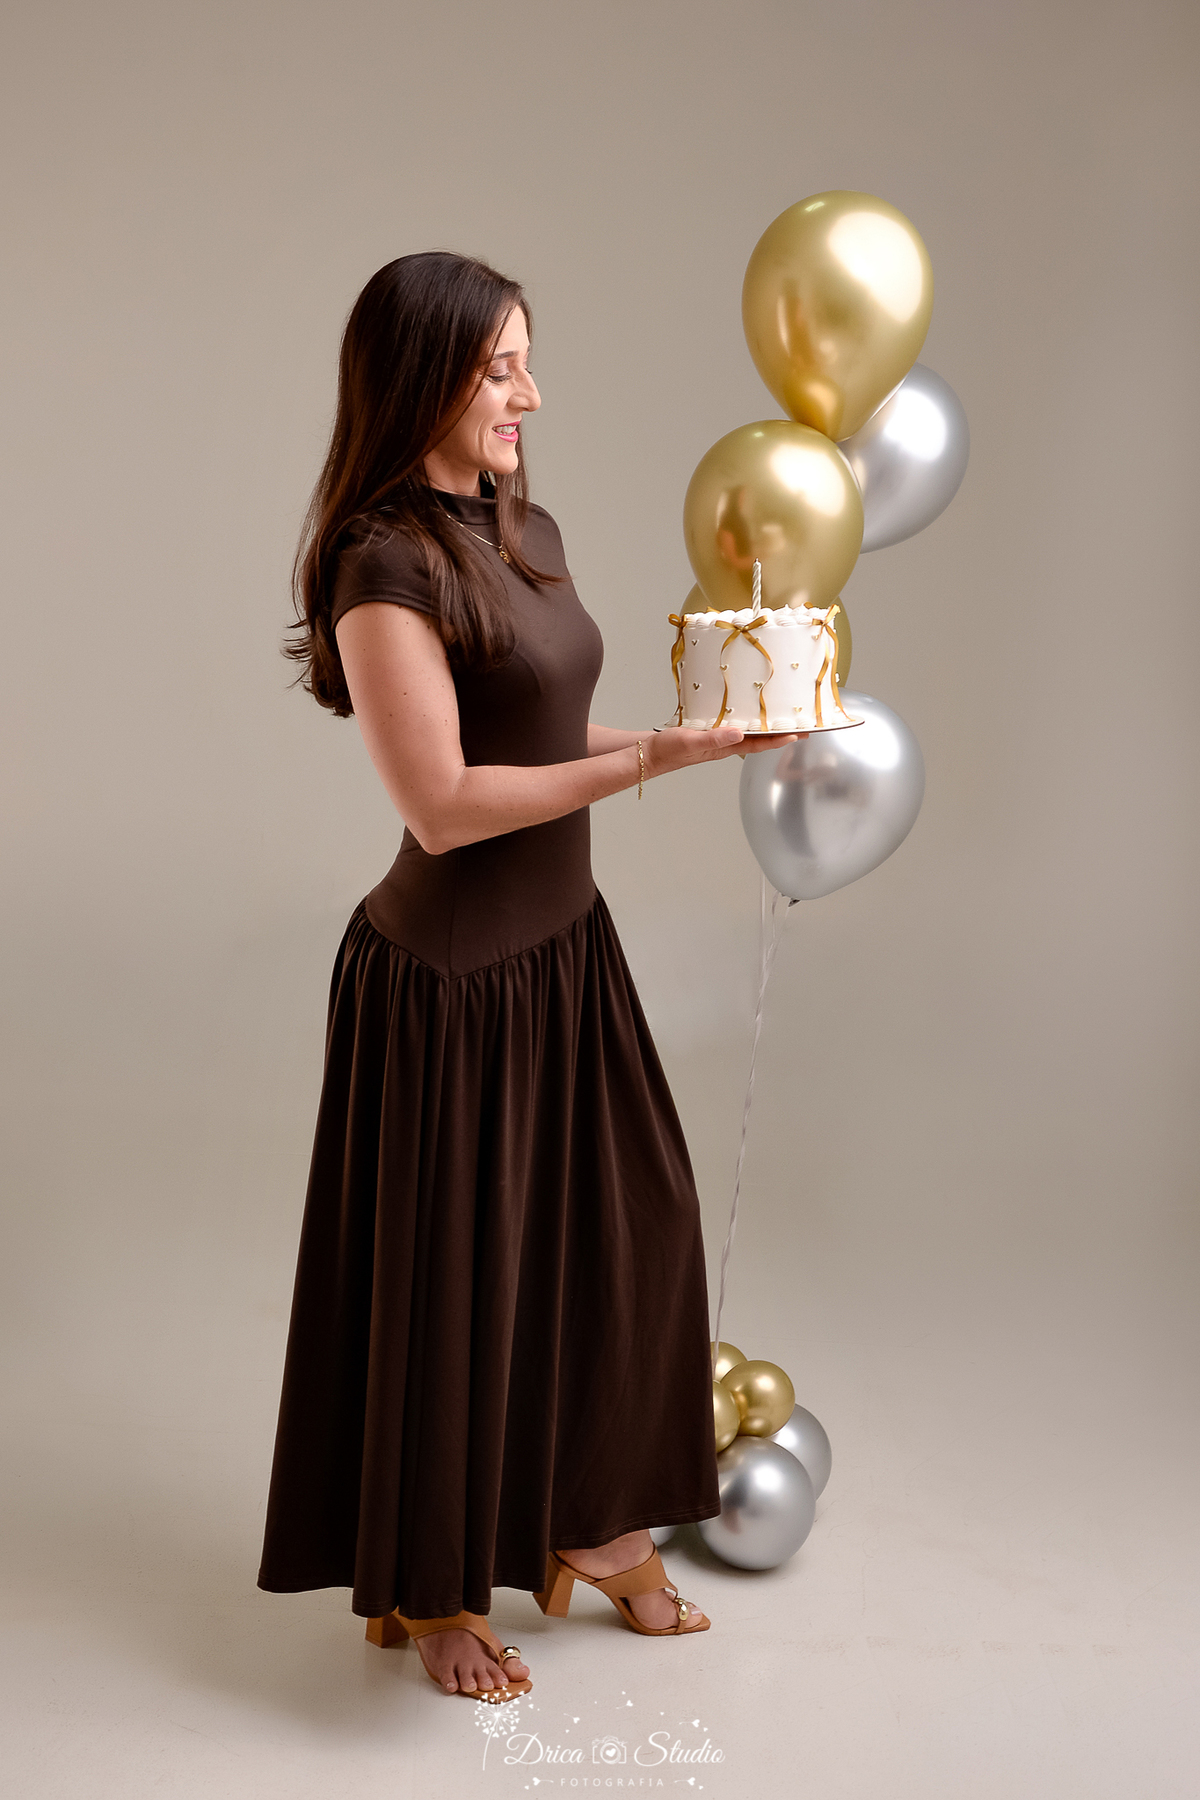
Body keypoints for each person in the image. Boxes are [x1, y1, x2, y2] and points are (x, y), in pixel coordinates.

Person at [257, 251, 793, 1704]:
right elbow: (441, 802)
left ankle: (594, 1528)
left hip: (562, 956)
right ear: (421, 376)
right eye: (499, 368)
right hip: (444, 982)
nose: (529, 394)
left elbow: (543, 726)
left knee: (635, 1242)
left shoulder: (525, 525)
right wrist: (652, 765)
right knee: (456, 1283)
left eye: (525, 362)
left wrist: (700, 731)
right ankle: (433, 1593)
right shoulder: (381, 562)